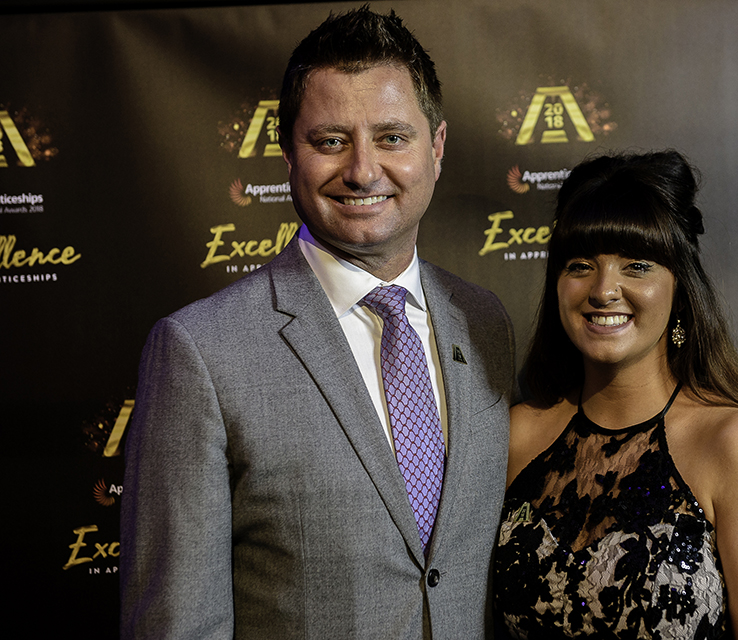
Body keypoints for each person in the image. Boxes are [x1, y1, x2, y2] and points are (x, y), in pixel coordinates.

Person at [120, 7, 515, 639]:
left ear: (436, 149)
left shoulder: (485, 321)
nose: (362, 169)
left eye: (392, 137)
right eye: (330, 141)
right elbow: (177, 625)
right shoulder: (200, 352)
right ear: (287, 155)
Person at [493, 150, 738, 639]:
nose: (604, 289)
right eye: (580, 264)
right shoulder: (516, 436)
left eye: (637, 266)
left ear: (679, 287)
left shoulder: (737, 446)